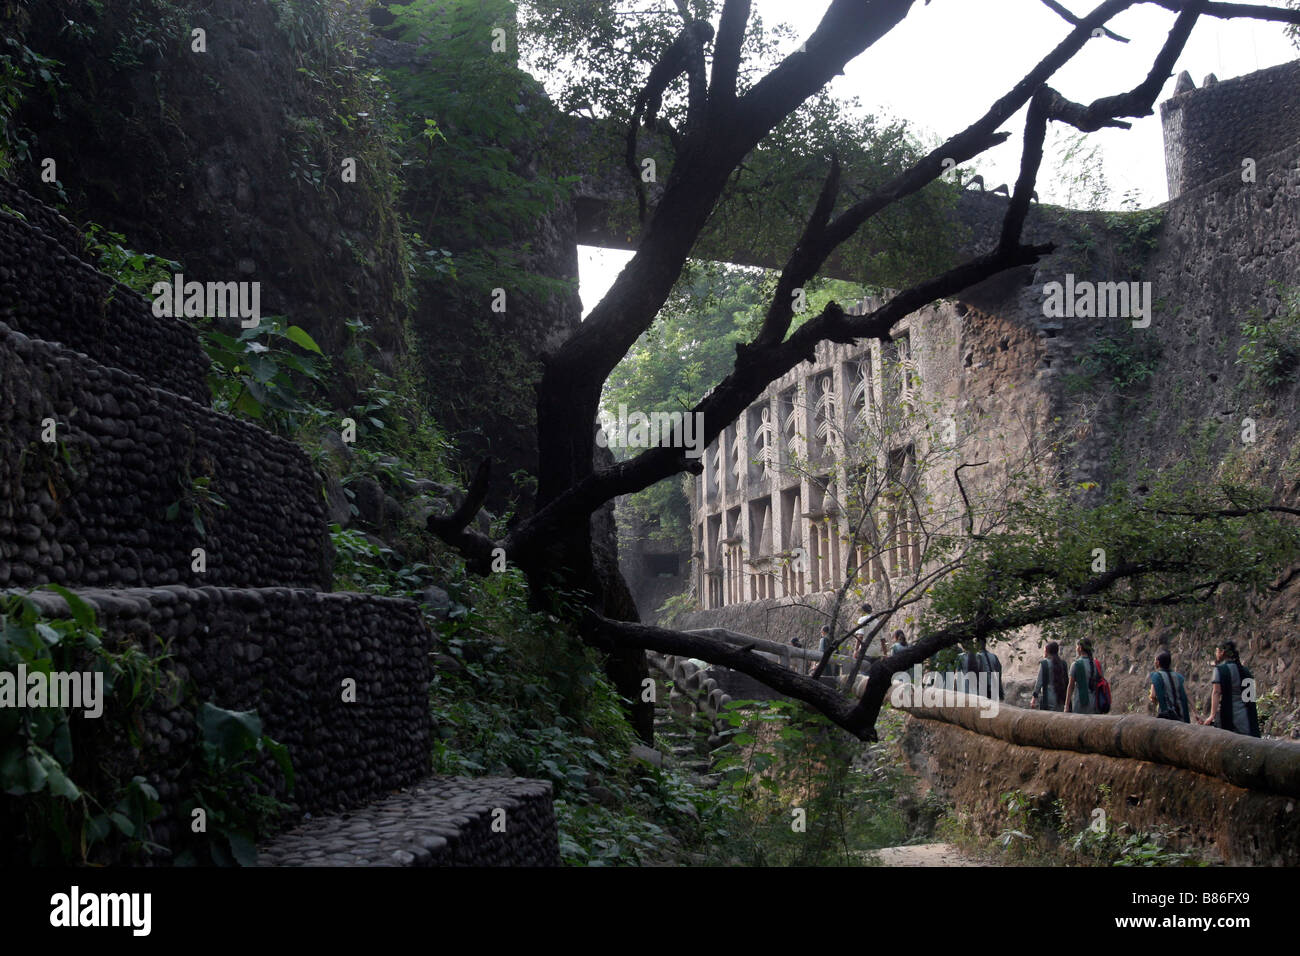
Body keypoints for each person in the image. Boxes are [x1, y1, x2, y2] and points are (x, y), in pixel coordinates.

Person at [1201, 640, 1260, 737]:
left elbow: (1216, 692)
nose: (1216, 654)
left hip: (1229, 714)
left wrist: (1212, 715)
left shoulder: (1220, 670)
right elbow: (1251, 697)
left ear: (1222, 652)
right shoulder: (1245, 671)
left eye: (1216, 651)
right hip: (1246, 716)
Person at [1146, 649, 1191, 722]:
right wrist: (1196, 713)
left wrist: (1155, 701)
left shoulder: (1157, 676)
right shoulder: (1178, 677)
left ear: (1157, 662)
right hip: (1181, 715)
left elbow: (1153, 695)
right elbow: (1187, 694)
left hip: (1167, 716)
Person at [1030, 641, 1068, 712]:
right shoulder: (1063, 663)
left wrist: (1033, 698)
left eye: (1044, 650)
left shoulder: (1044, 664)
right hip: (1061, 697)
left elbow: (1039, 683)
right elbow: (1066, 681)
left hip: (1048, 698)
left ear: (1048, 652)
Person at [1065, 638, 1099, 714]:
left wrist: (1066, 705)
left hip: (1080, 703)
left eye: (1077, 647)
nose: (1076, 649)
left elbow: (1071, 686)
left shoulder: (1076, 664)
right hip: (1094, 702)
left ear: (1080, 648)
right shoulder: (1096, 664)